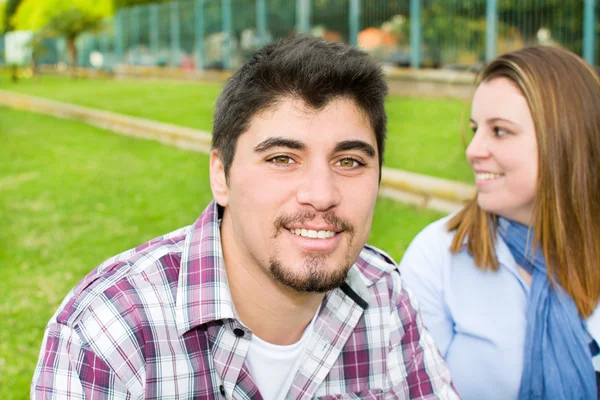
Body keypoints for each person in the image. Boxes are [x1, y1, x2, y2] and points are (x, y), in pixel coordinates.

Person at [31, 36, 458, 399]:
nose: (322, 195)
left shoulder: (384, 294)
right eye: (283, 158)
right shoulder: (110, 330)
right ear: (221, 175)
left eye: (348, 162)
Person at [399, 45, 600, 400]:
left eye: (500, 131)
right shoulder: (438, 256)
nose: (473, 150)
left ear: (565, 141)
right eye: (476, 129)